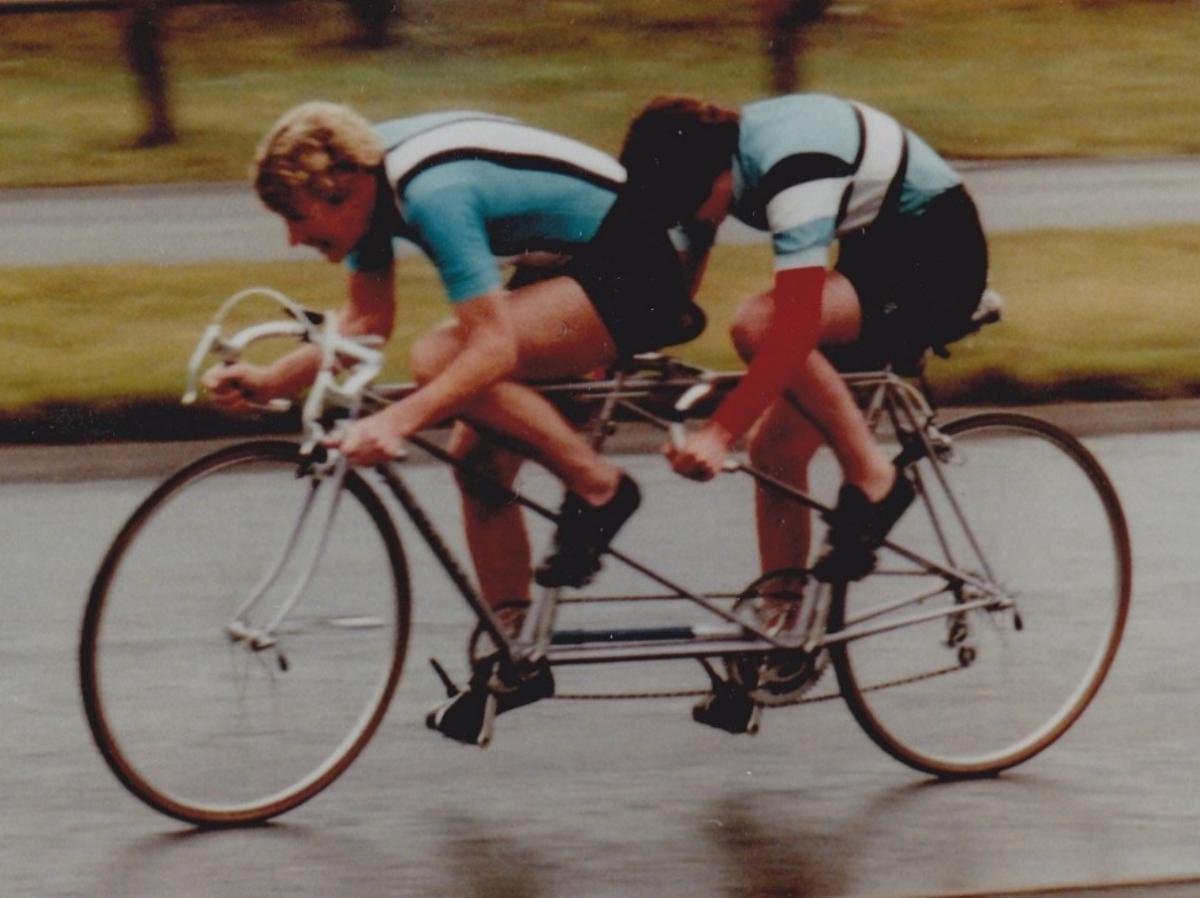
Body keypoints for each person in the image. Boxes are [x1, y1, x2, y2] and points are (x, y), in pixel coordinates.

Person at [201, 103, 704, 740]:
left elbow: (492, 349)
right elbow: (365, 324)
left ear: (345, 189)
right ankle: (515, 652)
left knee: (440, 357)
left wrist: (399, 423)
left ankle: (601, 487)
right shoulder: (371, 187)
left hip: (637, 267)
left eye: (297, 217)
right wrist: (272, 379)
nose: (293, 239)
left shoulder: (431, 193)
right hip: (568, 264)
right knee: (478, 464)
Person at [616, 93, 990, 604]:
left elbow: (791, 328)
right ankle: (782, 630)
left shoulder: (794, 166)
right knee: (774, 452)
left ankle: (875, 480)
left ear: (717, 176)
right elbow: (669, 296)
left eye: (682, 203)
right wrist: (610, 357)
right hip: (875, 256)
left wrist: (719, 433)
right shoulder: (711, 160)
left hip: (940, 256)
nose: (681, 216)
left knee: (758, 324)